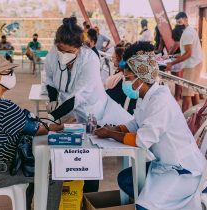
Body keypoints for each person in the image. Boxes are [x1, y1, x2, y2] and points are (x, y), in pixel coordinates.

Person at [94, 41, 205, 210]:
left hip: (182, 170)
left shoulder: (160, 101)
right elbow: (134, 124)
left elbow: (141, 140)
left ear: (141, 78)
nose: (124, 81)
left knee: (144, 206)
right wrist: (114, 129)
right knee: (126, 180)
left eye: (127, 77)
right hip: (163, 164)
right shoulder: (146, 97)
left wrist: (109, 133)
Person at [0, 54, 67, 210]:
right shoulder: (4, 109)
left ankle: (25, 205)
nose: (12, 75)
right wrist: (58, 126)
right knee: (53, 173)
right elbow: (38, 130)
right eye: (8, 72)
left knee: (33, 165)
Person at [44, 16, 132, 193]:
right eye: (61, 49)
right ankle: (70, 195)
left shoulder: (89, 59)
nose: (63, 54)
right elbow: (50, 80)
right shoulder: (53, 53)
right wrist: (53, 101)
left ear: (79, 47)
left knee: (90, 155)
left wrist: (50, 119)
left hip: (93, 111)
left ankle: (90, 197)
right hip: (69, 109)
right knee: (68, 155)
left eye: (69, 51)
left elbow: (79, 96)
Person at [166, 12, 203, 112]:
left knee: (186, 93)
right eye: (178, 22)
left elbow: (188, 54)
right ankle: (197, 116)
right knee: (194, 91)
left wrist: (171, 63)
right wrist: (174, 56)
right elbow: (187, 52)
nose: (179, 23)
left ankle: (182, 121)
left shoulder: (187, 33)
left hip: (192, 65)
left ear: (186, 19)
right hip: (195, 63)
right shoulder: (189, 30)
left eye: (181, 21)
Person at [105, 43, 137, 114]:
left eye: (113, 57)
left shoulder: (123, 78)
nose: (112, 60)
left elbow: (112, 96)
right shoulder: (121, 75)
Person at [168, 24, 185, 101]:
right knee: (179, 80)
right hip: (182, 62)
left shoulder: (177, 43)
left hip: (177, 63)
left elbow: (170, 53)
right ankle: (179, 94)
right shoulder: (183, 41)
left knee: (177, 81)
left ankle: (177, 96)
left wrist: (170, 51)